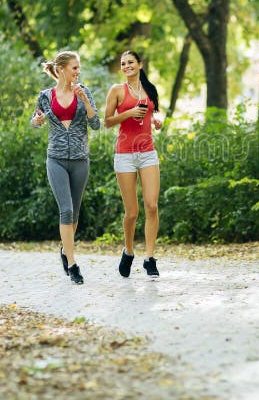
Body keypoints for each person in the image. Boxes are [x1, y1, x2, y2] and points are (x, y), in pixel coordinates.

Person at [31, 51, 101, 284]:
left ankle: (65, 249)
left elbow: (96, 124)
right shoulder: (45, 96)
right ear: (61, 69)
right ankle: (73, 264)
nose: (78, 72)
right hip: (56, 159)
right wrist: (38, 121)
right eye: (74, 68)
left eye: (78, 68)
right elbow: (36, 120)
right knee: (66, 210)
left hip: (80, 159)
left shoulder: (84, 92)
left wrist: (86, 102)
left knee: (75, 214)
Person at [103, 50, 164, 278]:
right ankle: (128, 251)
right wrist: (128, 112)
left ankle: (149, 259)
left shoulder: (149, 89)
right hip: (125, 154)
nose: (126, 66)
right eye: (123, 63)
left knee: (152, 206)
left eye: (130, 62)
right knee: (132, 212)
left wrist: (157, 120)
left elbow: (157, 112)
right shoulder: (117, 91)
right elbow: (107, 122)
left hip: (148, 152)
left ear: (140, 64)